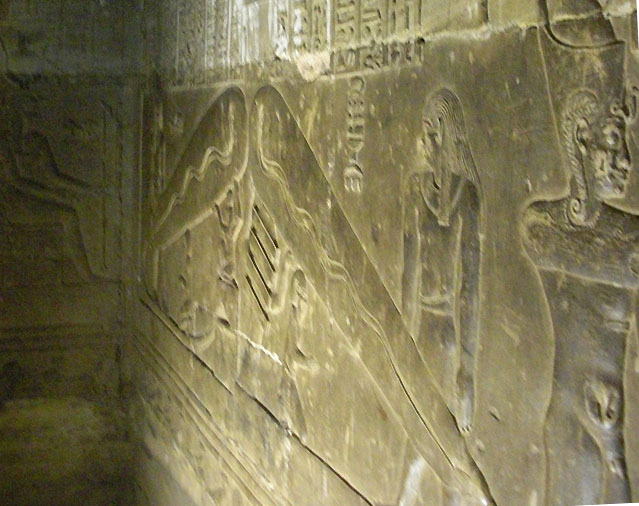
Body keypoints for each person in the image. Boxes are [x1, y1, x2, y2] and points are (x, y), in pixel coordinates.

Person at [402, 88, 481, 433]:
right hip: (418, 329)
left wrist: (467, 369)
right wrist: (404, 341)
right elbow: (409, 274)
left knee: (439, 438)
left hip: (447, 337)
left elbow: (470, 289)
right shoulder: (414, 189)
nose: (425, 142)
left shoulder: (467, 196)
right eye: (425, 132)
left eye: (434, 134)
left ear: (449, 138)